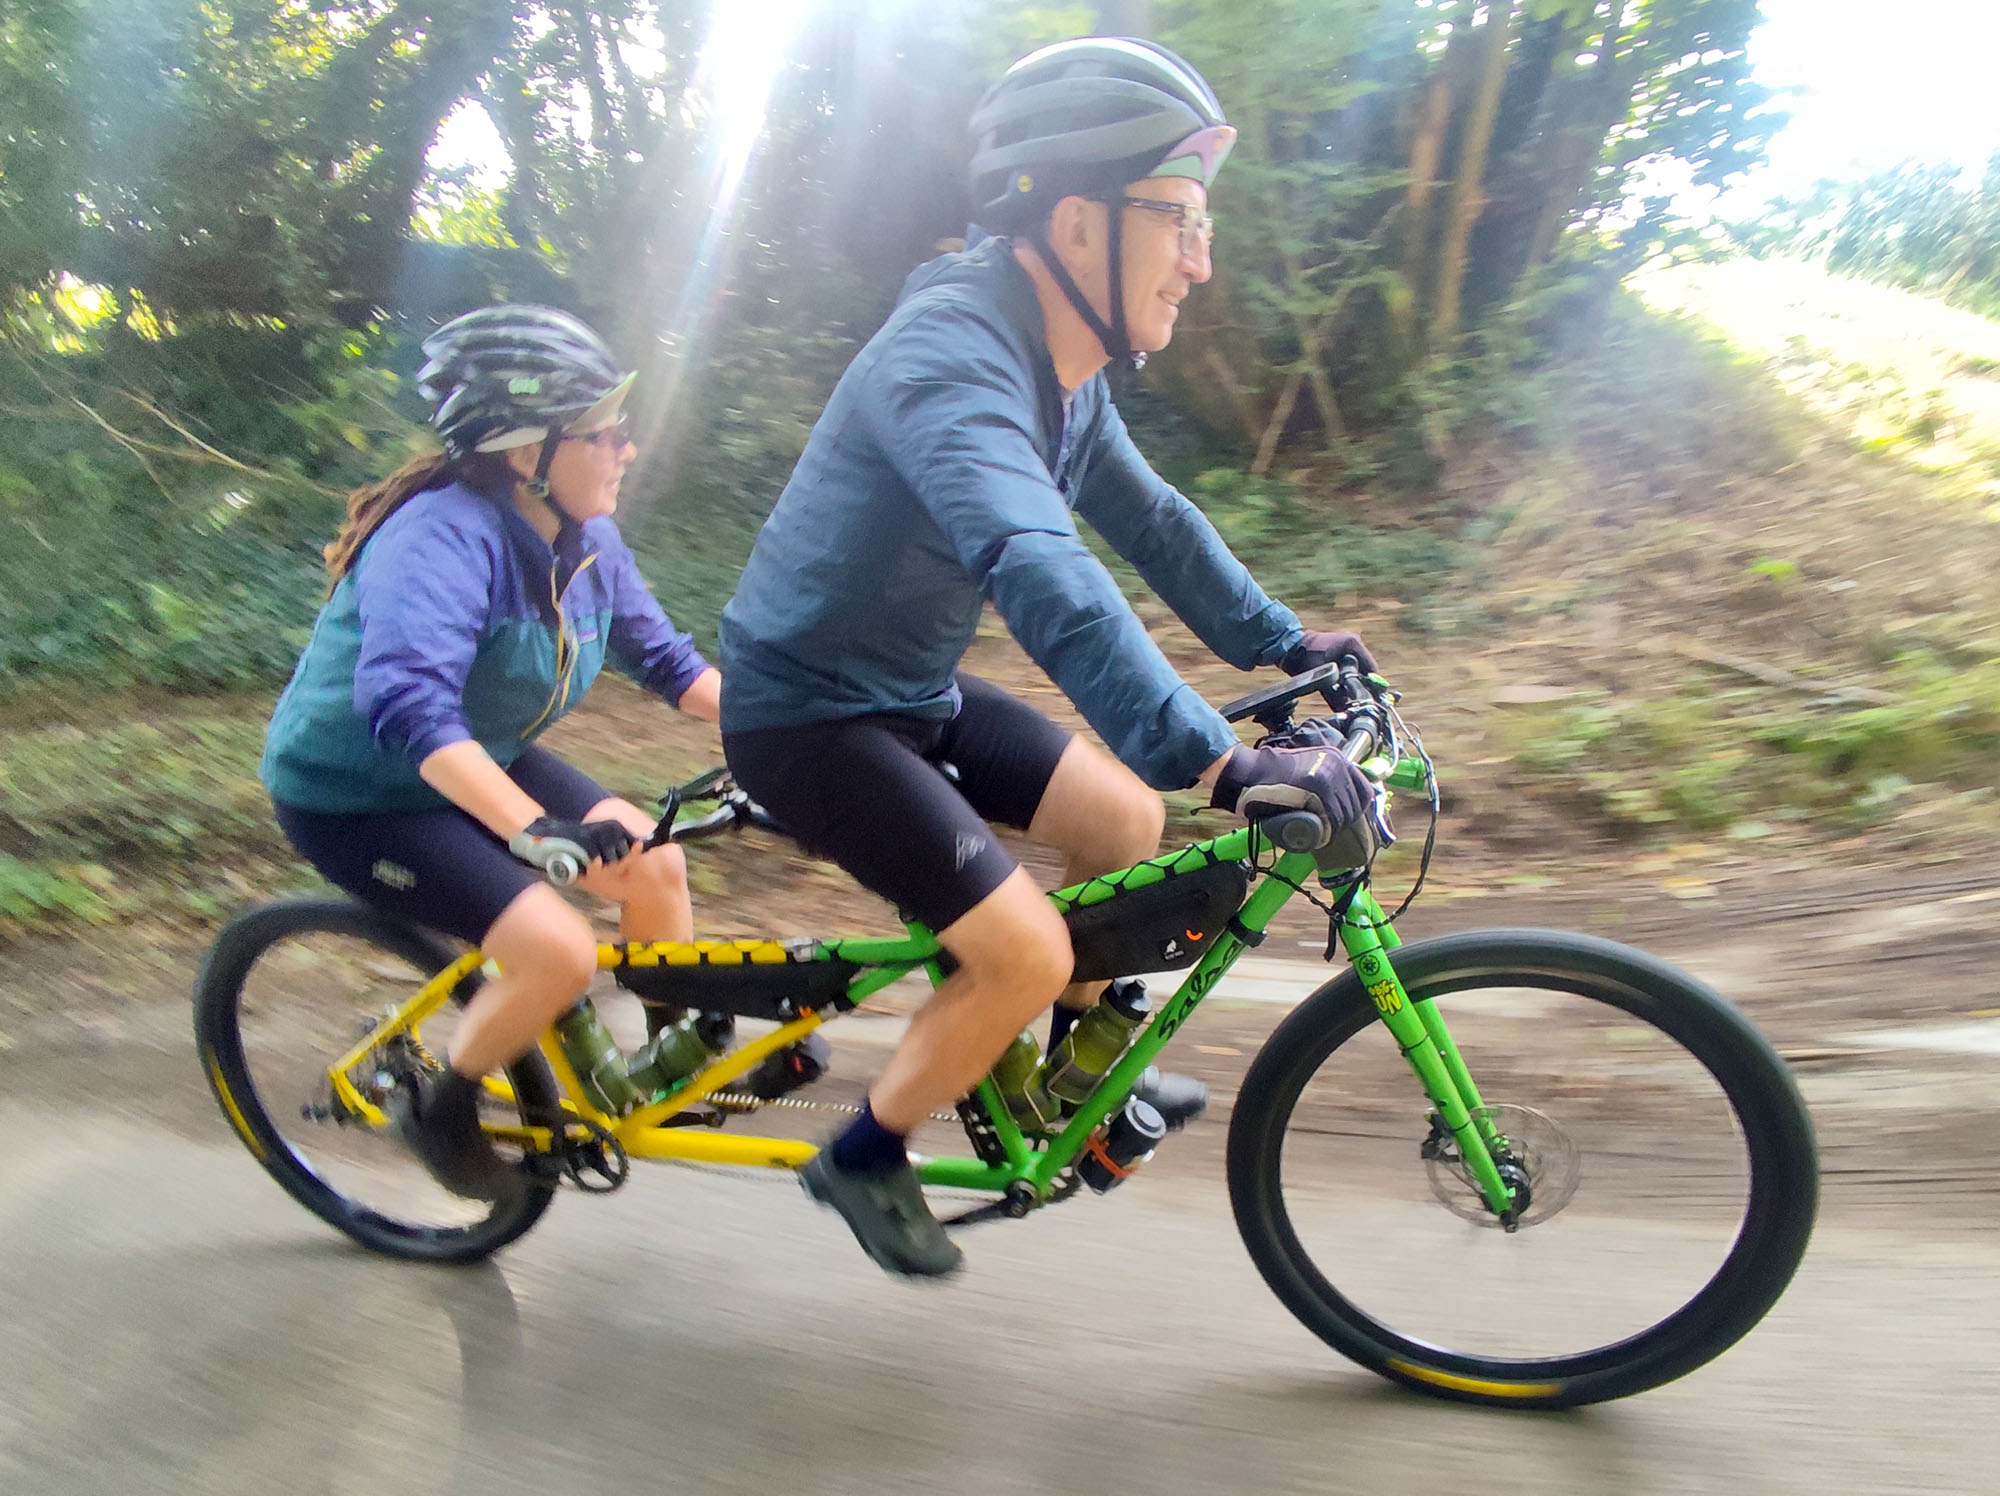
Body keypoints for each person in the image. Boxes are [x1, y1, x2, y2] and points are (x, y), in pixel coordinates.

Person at [717, 37, 1380, 1277]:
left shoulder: (1060, 369)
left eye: (1202, 224)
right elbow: (1036, 560)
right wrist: (1223, 762)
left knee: (1125, 822)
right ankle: (862, 1152)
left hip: (908, 689)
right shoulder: (949, 357)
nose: (1200, 259)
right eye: (1177, 220)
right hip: (803, 716)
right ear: (1078, 225)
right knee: (1024, 947)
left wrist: (1283, 640)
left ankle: (1067, 1063)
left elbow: (1151, 521)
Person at [260, 304, 720, 1203]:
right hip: (361, 796)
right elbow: (411, 711)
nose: (626, 449)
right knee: (558, 952)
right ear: (524, 453)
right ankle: (445, 1111)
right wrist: (533, 830)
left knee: (656, 867)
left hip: (482, 757)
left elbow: (670, 664)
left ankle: (669, 1065)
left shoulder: (586, 540)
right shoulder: (438, 538)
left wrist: (793, 744)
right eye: (603, 433)